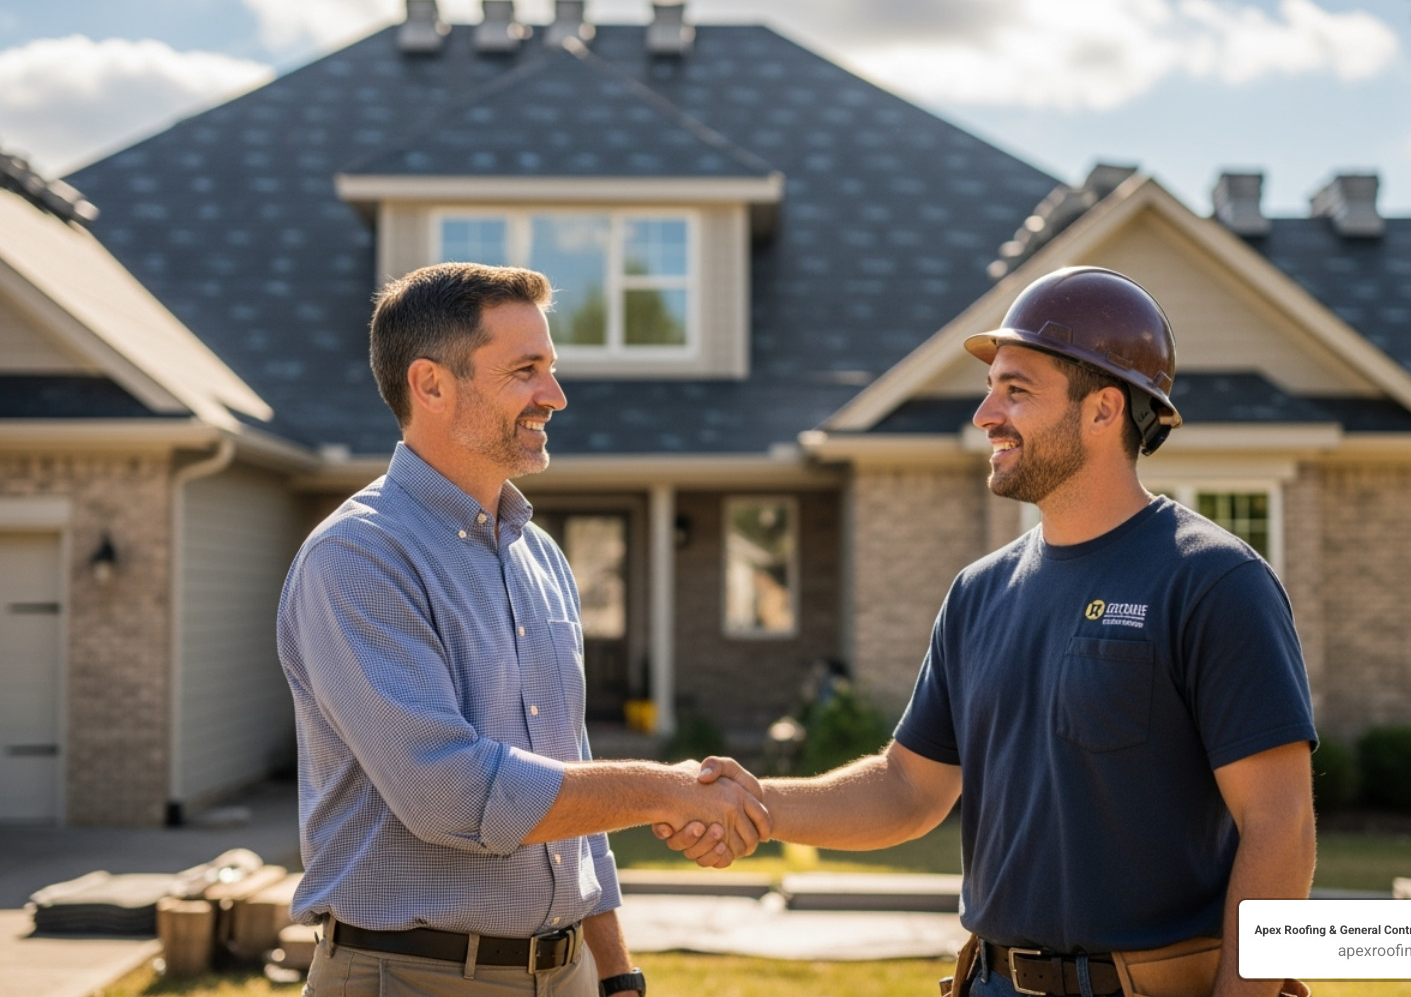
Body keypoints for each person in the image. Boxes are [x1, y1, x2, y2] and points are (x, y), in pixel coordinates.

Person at [662, 266, 1317, 997]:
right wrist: (759, 805)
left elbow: (1279, 825)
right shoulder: (978, 594)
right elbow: (910, 788)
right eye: (990, 387)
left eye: (1017, 390)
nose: (985, 415)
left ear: (1103, 411)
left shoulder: (1214, 582)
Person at [277, 262, 770, 997]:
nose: (555, 395)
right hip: (411, 978)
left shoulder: (537, 555)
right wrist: (666, 791)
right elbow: (450, 795)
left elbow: (567, 767)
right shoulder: (358, 559)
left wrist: (616, 971)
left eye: (552, 368)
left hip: (565, 972)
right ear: (432, 385)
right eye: (526, 370)